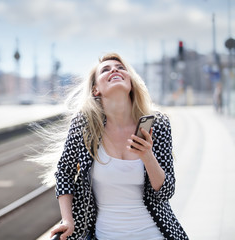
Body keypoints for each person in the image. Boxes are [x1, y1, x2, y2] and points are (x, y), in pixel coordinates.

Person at [31, 52, 188, 240]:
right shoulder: (84, 125)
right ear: (96, 89)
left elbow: (166, 191)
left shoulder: (158, 124)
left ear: (130, 82)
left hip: (155, 234)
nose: (114, 69)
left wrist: (147, 156)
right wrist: (67, 220)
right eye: (106, 69)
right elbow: (64, 172)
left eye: (121, 68)